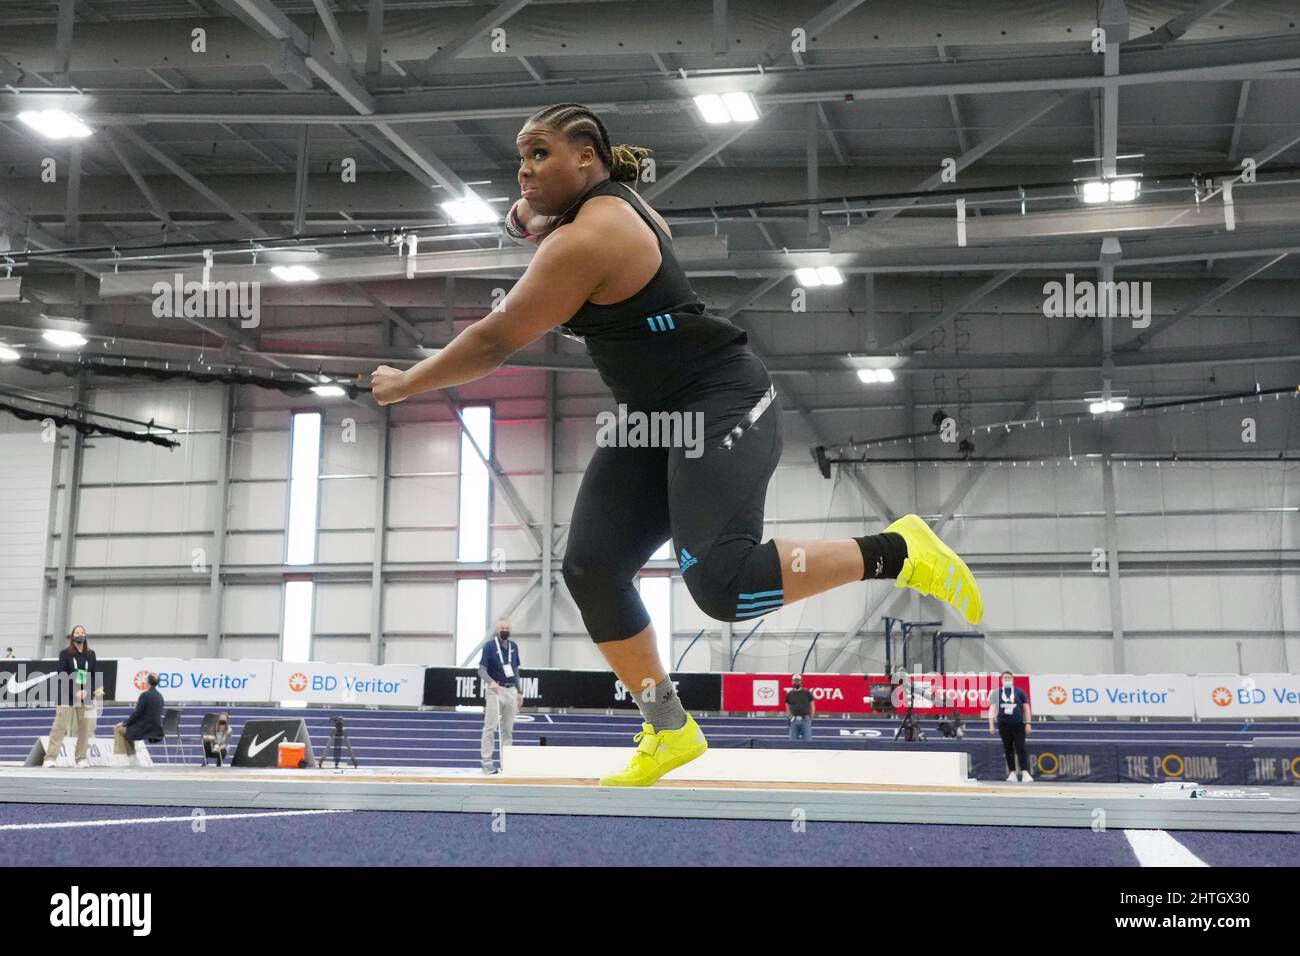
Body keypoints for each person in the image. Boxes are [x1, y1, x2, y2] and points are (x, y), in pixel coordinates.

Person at [370, 103, 984, 787]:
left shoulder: (592, 234)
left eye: (540, 153)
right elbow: (537, 219)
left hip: (721, 399)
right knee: (591, 569)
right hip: (651, 418)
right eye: (520, 156)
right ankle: (668, 727)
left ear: (587, 157)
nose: (523, 168)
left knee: (721, 585)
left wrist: (407, 383)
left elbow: (495, 338)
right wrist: (529, 214)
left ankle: (899, 550)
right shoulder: (602, 208)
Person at [42, 626, 100, 768]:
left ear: (85, 636)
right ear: (73, 636)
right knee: (60, 726)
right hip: (67, 694)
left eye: (82, 632)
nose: (80, 635)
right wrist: (75, 691)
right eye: (77, 632)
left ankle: (81, 758)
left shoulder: (91, 654)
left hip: (85, 695)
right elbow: (62, 674)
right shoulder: (65, 654)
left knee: (85, 728)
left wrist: (88, 691)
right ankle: (50, 757)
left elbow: (94, 675)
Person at [477, 617, 523, 774]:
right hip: (495, 690)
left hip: (511, 690)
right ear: (497, 629)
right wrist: (491, 682)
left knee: (508, 728)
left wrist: (520, 691)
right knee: (490, 726)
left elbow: (516, 671)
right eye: (502, 628)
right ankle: (487, 762)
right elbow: (481, 670)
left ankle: (507, 762)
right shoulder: (489, 647)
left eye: (508, 629)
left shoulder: (514, 647)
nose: (505, 631)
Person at [987, 671, 1033, 782]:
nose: (1007, 679)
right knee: (1008, 749)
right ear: (1001, 680)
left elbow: (1026, 709)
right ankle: (1012, 773)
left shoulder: (1019, 692)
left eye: (1009, 677)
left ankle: (1025, 772)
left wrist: (1028, 723)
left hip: (1018, 724)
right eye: (1005, 677)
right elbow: (992, 709)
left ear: (1012, 679)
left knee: (1020, 748)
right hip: (1003, 724)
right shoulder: (996, 692)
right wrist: (991, 725)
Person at [114, 672, 165, 766]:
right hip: (156, 729)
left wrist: (124, 723)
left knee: (118, 729)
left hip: (145, 729)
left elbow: (137, 714)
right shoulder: (160, 696)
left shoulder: (145, 695)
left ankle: (126, 758)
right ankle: (131, 757)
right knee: (128, 731)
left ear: (147, 682)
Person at [785, 674, 815, 740]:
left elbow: (812, 705)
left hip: (805, 720)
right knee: (793, 742)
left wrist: (811, 717)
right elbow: (787, 706)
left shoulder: (807, 693)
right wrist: (790, 716)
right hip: (794, 720)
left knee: (808, 741)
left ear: (801, 681)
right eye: (795, 681)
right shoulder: (790, 694)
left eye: (798, 681)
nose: (796, 682)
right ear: (792, 682)